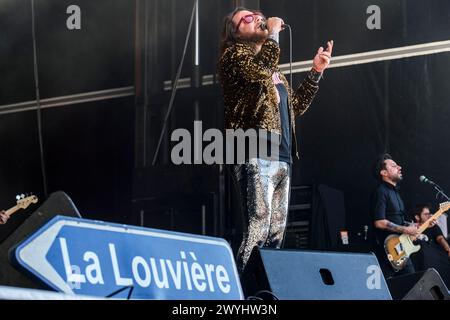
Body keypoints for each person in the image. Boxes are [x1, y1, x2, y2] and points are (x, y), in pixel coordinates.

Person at [218, 7, 333, 273]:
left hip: (281, 154)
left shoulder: (273, 69)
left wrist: (315, 72)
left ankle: (265, 291)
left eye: (258, 14)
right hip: (254, 150)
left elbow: (295, 106)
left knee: (276, 234)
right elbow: (259, 71)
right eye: (248, 18)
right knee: (258, 225)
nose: (257, 18)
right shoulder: (234, 56)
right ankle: (242, 294)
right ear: (235, 32)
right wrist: (273, 35)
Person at [370, 153, 419, 278]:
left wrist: (416, 225)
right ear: (384, 173)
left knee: (411, 284)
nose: (399, 167)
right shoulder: (381, 191)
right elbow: (379, 222)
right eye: (393, 166)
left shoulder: (395, 193)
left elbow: (399, 220)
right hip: (388, 250)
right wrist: (405, 229)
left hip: (401, 248)